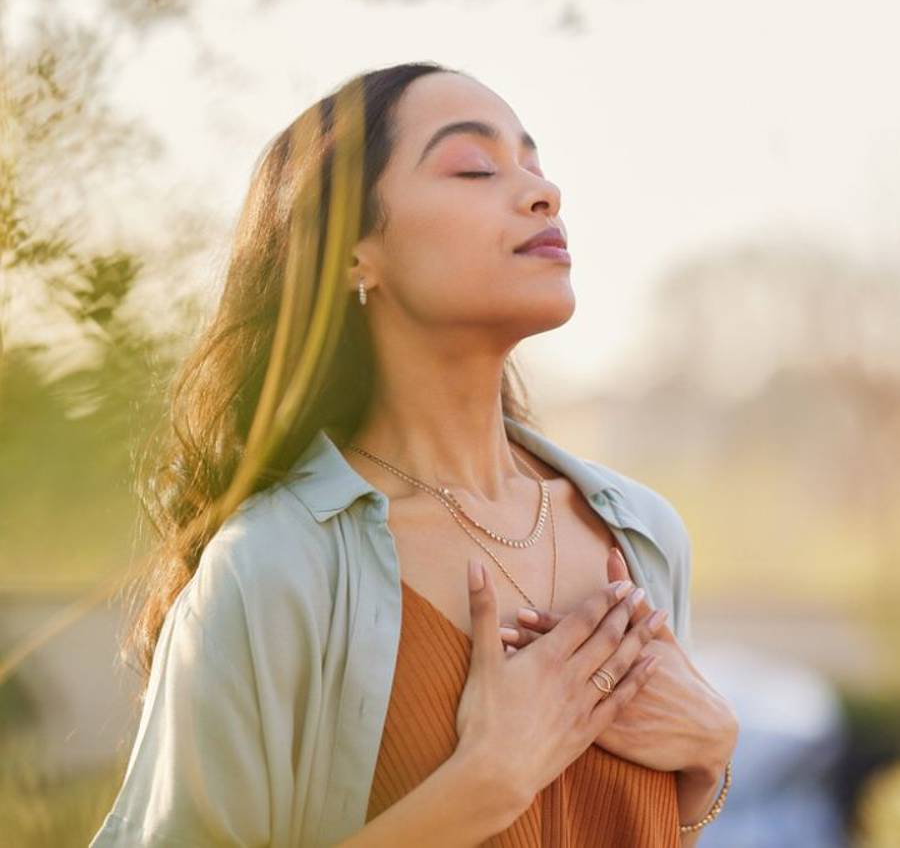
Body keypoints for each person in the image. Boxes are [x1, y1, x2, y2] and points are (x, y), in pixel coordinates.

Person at [90, 61, 738, 848]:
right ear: (354, 255)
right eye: (474, 167)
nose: (544, 193)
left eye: (535, 165)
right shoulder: (273, 569)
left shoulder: (642, 535)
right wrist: (479, 788)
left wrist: (709, 759)